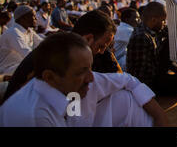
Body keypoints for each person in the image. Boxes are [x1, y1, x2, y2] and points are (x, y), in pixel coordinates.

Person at [0, 32, 168, 126]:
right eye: (81, 72)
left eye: (90, 69)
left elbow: (126, 80)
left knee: (124, 98)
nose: (90, 78)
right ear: (50, 77)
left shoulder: (68, 85)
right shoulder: (34, 115)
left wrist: (160, 116)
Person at [2, 10, 120, 104]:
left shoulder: (66, 46)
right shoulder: (61, 56)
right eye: (101, 46)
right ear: (88, 39)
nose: (102, 51)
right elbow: (70, 108)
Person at [127, 2, 177, 96]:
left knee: (171, 39)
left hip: (157, 75)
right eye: (163, 21)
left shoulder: (152, 29)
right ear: (154, 20)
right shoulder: (141, 37)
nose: (164, 24)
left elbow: (172, 32)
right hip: (148, 85)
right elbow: (142, 76)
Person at [0, 6, 43, 75]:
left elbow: (43, 43)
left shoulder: (29, 31)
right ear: (23, 18)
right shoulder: (13, 32)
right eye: (33, 16)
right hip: (6, 70)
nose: (36, 18)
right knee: (37, 65)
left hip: (18, 66)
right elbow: (27, 54)